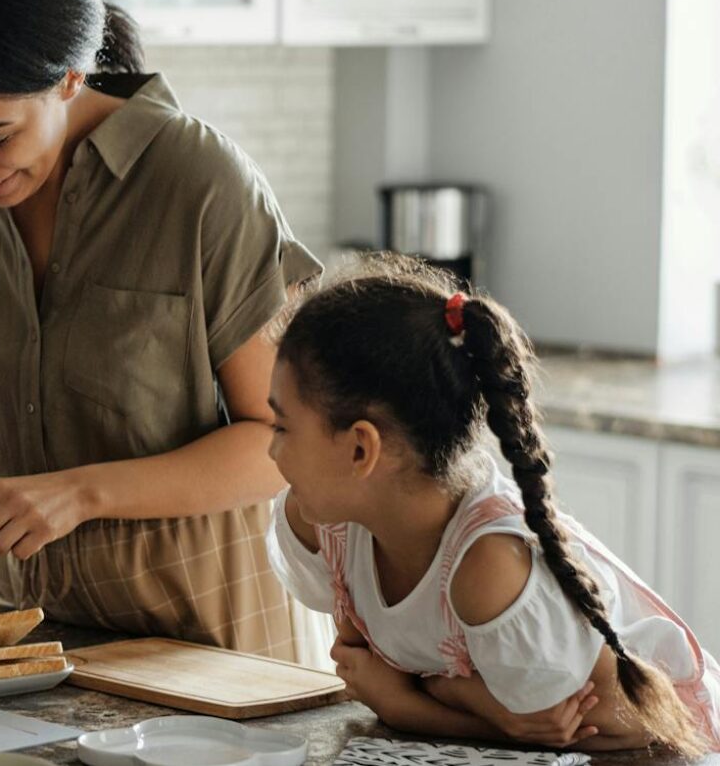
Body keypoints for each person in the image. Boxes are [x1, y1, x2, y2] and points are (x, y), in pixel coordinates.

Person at [0, 0, 322, 660]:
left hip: (207, 641)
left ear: (71, 79)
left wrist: (79, 493)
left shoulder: (200, 184)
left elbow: (280, 441)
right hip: (31, 636)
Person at [267, 256, 719, 756]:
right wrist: (469, 702)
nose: (271, 451)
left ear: (360, 450)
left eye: (282, 427)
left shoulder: (489, 566)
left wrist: (417, 703)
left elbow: (611, 727)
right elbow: (364, 672)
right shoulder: (328, 524)